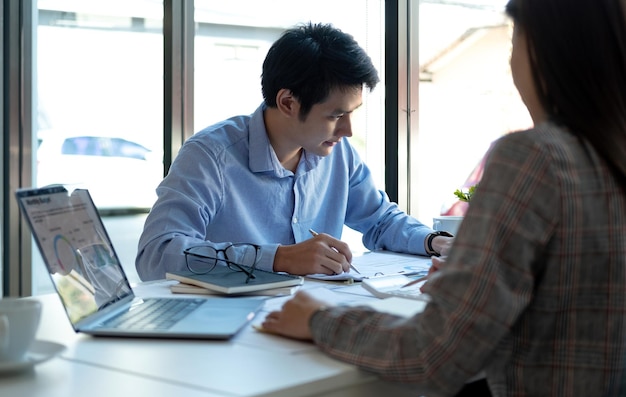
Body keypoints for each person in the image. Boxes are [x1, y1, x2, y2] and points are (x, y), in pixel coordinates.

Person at [262, 0, 626, 397]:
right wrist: (473, 285)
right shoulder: (606, 157)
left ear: (545, 52)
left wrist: (318, 320)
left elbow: (434, 354)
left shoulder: (536, 159)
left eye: (514, 41)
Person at [135, 22, 453, 282]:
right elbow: (156, 255)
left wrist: (432, 241)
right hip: (230, 330)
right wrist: (279, 258)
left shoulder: (337, 153)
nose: (348, 131)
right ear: (288, 102)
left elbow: (380, 221)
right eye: (335, 116)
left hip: (310, 317)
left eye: (352, 113)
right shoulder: (210, 157)